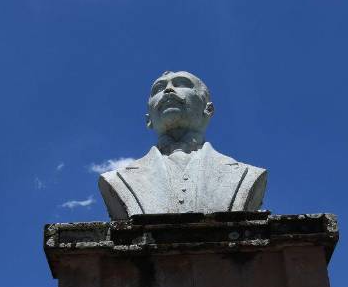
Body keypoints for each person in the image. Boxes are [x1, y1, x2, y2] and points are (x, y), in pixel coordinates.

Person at [98, 71, 267, 220]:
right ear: (148, 119)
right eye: (158, 89)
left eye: (182, 84)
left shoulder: (245, 173)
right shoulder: (118, 178)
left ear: (208, 109)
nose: (168, 90)